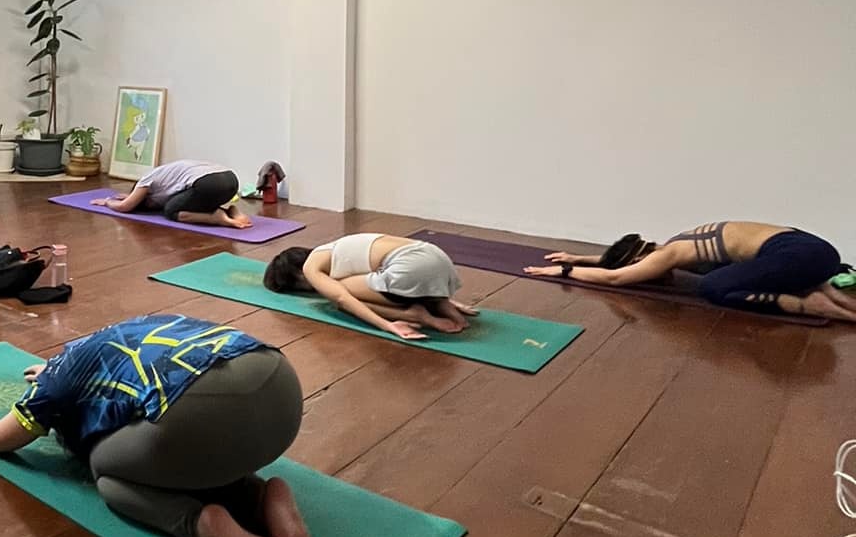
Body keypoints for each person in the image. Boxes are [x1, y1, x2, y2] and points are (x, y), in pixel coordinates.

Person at [0, 313, 310, 537]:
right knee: (187, 437)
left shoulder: (57, 382)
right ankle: (260, 496)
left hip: (207, 415)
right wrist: (53, 376)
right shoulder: (116, 335)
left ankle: (205, 525)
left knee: (108, 470)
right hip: (281, 387)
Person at [524, 222, 856, 321]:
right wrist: (581, 257)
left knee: (713, 287)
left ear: (640, 258)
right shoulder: (676, 243)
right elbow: (623, 265)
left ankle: (809, 304)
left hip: (798, 257)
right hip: (817, 251)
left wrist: (565, 271)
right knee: (742, 272)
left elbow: (616, 277)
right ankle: (829, 294)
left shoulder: (668, 253)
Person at [263, 232, 478, 339]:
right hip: (439, 259)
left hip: (411, 272)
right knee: (378, 277)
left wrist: (388, 325)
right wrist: (445, 296)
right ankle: (439, 303)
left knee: (338, 293)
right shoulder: (336, 248)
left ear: (298, 275)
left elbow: (342, 299)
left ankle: (416, 314)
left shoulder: (311, 267)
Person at [92, 158, 252, 230]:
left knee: (170, 210)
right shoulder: (165, 176)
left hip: (209, 183)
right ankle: (231, 211)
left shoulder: (146, 180)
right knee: (191, 201)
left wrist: (107, 202)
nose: (153, 205)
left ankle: (217, 218)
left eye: (149, 203)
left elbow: (124, 207)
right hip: (231, 180)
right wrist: (130, 196)